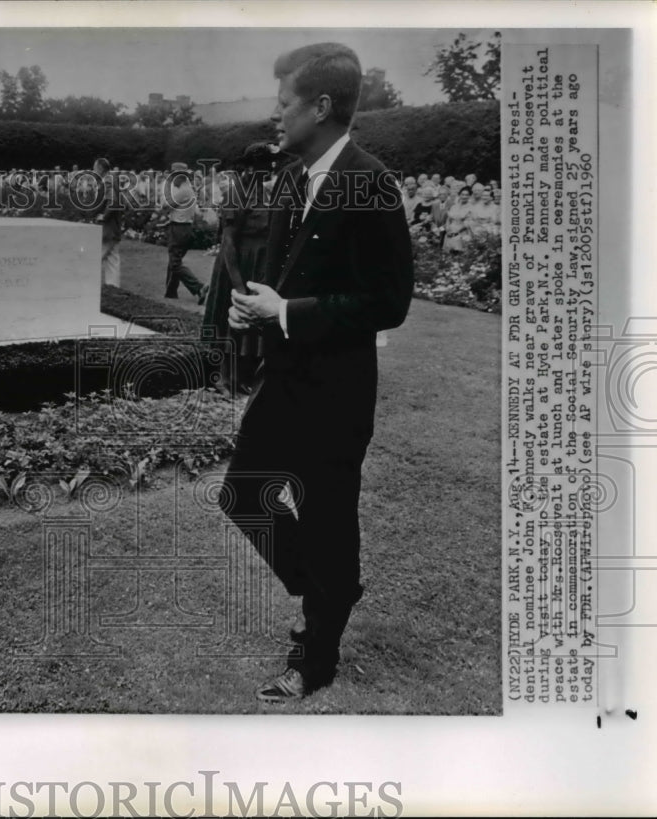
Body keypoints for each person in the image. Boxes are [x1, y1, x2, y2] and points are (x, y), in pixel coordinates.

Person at [221, 42, 413, 702]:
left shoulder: (373, 183)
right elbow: (280, 280)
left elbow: (389, 302)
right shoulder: (290, 179)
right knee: (244, 494)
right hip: (286, 379)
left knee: (328, 519)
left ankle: (316, 654)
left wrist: (290, 312)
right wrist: (258, 311)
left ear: (321, 106)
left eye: (284, 104)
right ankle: (332, 586)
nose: (275, 117)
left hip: (337, 392)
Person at [202, 142, 274, 396]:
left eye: (270, 167)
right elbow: (229, 242)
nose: (269, 171)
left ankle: (241, 376)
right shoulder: (236, 194)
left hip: (257, 264)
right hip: (236, 263)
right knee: (229, 314)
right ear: (252, 166)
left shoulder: (263, 192)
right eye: (265, 167)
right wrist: (238, 284)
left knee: (250, 322)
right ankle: (223, 377)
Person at [160, 161, 208, 302]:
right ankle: (171, 292)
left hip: (180, 228)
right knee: (174, 261)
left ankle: (199, 287)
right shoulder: (185, 188)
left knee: (175, 264)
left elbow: (165, 205)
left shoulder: (183, 191)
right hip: (183, 228)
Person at [92, 157, 123, 286]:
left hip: (108, 228)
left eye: (94, 168)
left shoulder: (108, 181)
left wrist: (103, 216)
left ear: (100, 168)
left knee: (95, 257)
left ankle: (87, 286)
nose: (93, 171)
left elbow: (113, 202)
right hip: (113, 227)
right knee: (113, 259)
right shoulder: (112, 180)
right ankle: (114, 288)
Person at [443, 185, 474, 252]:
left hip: (462, 233)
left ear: (470, 196)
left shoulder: (471, 208)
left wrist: (456, 231)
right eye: (462, 194)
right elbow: (448, 219)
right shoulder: (454, 206)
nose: (464, 196)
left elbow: (468, 223)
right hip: (450, 232)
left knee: (459, 253)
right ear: (459, 195)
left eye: (466, 195)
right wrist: (447, 229)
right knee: (448, 253)